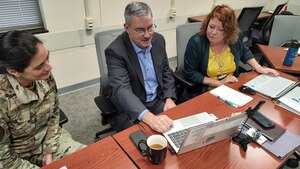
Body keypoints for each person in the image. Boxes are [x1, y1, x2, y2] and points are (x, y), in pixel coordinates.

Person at [0, 31, 85, 168]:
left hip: (50, 140)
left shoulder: (45, 77)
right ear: (13, 71)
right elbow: (4, 159)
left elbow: (53, 115)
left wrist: (49, 151)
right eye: (39, 66)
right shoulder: (2, 99)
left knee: (87, 159)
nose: (49, 67)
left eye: (47, 58)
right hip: (17, 158)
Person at [105, 1, 177, 133]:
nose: (147, 34)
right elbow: (122, 89)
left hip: (157, 100)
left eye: (150, 27)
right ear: (127, 27)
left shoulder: (159, 40)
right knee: (145, 142)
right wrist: (149, 117)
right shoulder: (115, 51)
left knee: (176, 128)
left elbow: (166, 71)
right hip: (130, 109)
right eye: (140, 30)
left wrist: (169, 98)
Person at [184, 4, 279, 98]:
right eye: (211, 27)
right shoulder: (196, 42)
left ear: (229, 31)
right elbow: (190, 73)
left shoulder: (234, 39)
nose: (213, 32)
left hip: (231, 88)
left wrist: (258, 67)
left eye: (220, 29)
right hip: (207, 92)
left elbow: (244, 52)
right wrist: (218, 83)